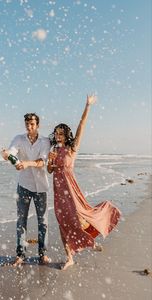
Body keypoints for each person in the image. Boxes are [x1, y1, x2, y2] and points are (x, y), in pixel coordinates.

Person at [47, 95, 121, 270]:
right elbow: (50, 171)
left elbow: (81, 126)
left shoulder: (72, 149)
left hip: (71, 190)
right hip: (58, 192)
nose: (57, 136)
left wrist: (87, 106)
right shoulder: (54, 150)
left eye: (60, 133)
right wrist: (50, 162)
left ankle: (89, 241)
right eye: (56, 133)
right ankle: (69, 257)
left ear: (66, 135)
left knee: (78, 218)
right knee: (62, 222)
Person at [2, 113, 51, 266]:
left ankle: (42, 254)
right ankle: (20, 255)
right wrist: (7, 155)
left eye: (32, 124)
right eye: (27, 124)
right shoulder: (19, 139)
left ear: (38, 125)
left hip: (41, 187)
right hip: (23, 185)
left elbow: (42, 162)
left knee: (43, 222)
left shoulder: (45, 141)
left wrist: (26, 163)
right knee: (21, 221)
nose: (29, 127)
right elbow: (12, 152)